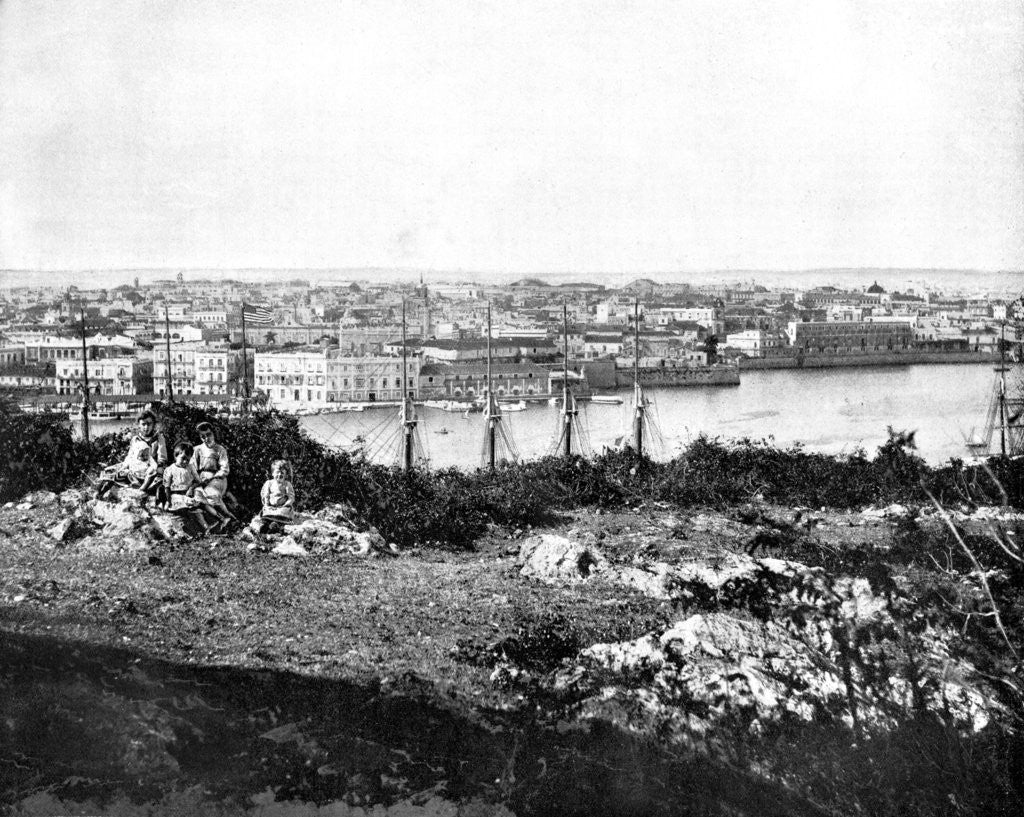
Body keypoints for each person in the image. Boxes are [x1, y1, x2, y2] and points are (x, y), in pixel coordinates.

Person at [96, 410, 168, 499]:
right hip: (135, 467)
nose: (146, 427)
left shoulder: (158, 438)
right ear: (139, 425)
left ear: (153, 424)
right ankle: (99, 493)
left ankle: (145, 489)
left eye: (149, 424)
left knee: (159, 476)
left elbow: (162, 457)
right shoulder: (136, 439)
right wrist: (124, 466)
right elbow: (130, 456)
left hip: (151, 468)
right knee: (111, 470)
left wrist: (156, 465)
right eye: (143, 424)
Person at [161, 441, 226, 536]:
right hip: (176, 495)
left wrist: (191, 488)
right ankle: (203, 528)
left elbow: (198, 481)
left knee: (200, 504)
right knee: (190, 508)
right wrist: (168, 500)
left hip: (189, 492)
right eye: (183, 458)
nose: (185, 462)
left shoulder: (190, 467)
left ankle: (219, 519)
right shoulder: (169, 470)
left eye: (187, 459)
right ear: (175, 456)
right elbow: (166, 487)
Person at [189, 422, 238, 526]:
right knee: (198, 496)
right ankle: (219, 520)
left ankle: (230, 517)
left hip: (217, 479)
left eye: (209, 434)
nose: (207, 439)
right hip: (201, 479)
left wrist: (212, 478)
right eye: (203, 437)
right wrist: (198, 480)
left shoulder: (220, 449)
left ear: (213, 434)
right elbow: (192, 467)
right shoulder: (197, 449)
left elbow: (224, 469)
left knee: (211, 494)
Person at [245, 459, 295, 542]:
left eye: (282, 473)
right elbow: (266, 495)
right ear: (272, 473)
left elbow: (291, 497)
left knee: (284, 511)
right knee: (266, 512)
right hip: (271, 507)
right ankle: (265, 526)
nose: (279, 475)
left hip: (282, 507)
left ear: (286, 475)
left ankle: (276, 526)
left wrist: (286, 504)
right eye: (277, 472)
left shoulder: (287, 484)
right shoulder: (269, 483)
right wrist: (267, 504)